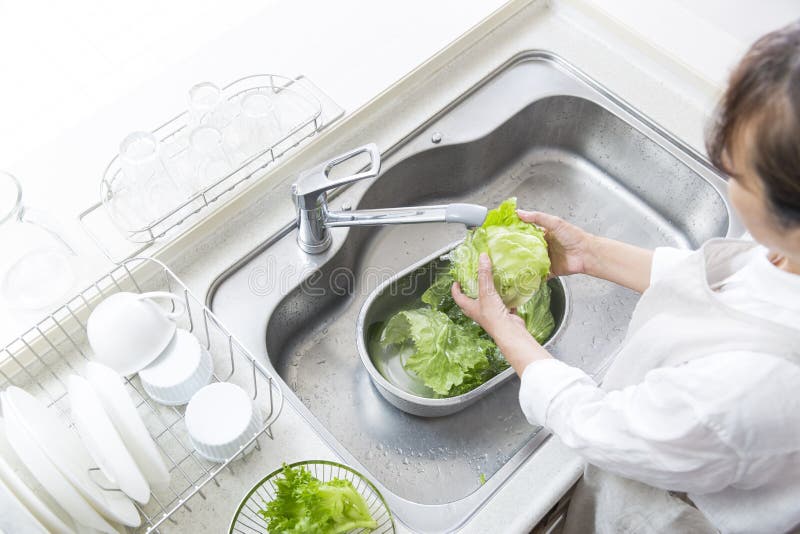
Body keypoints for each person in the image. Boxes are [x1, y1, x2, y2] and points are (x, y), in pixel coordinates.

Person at [451, 21, 800, 534]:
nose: (724, 170)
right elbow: (723, 285)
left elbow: (598, 427)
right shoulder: (787, 253)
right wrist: (591, 254)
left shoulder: (751, 388)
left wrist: (508, 333)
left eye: (738, 174)